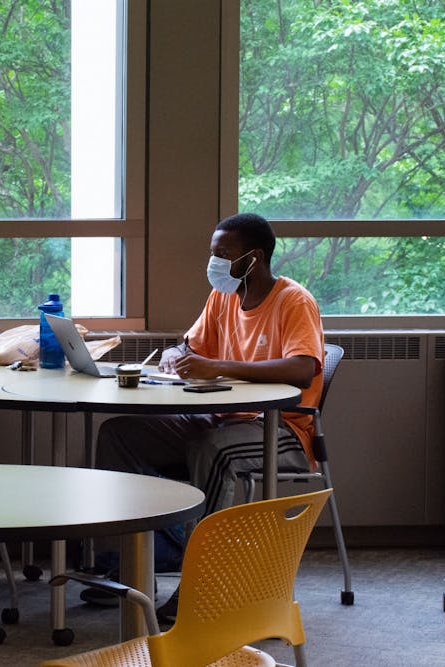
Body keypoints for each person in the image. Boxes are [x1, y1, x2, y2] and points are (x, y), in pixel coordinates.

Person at [83, 212, 325, 614]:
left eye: (223, 254)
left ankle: (200, 585)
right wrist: (178, 355)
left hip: (278, 429)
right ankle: (123, 568)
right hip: (222, 418)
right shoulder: (224, 296)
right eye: (212, 253)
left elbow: (302, 369)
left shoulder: (293, 300)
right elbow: (190, 344)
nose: (214, 263)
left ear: (255, 257)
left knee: (212, 449)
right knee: (119, 435)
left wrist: (220, 366)